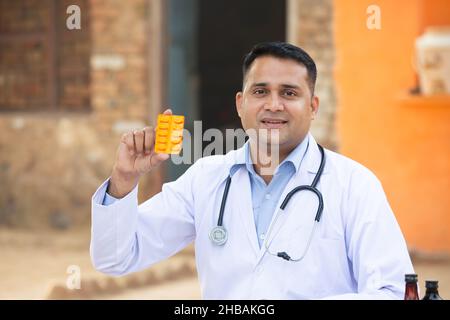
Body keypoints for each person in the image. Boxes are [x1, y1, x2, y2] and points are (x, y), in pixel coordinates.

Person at [90, 42, 414, 299]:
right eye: (260, 92)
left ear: (313, 106)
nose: (273, 105)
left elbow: (393, 290)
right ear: (240, 104)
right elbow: (116, 258)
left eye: (289, 93)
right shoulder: (206, 178)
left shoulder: (354, 185)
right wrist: (123, 180)